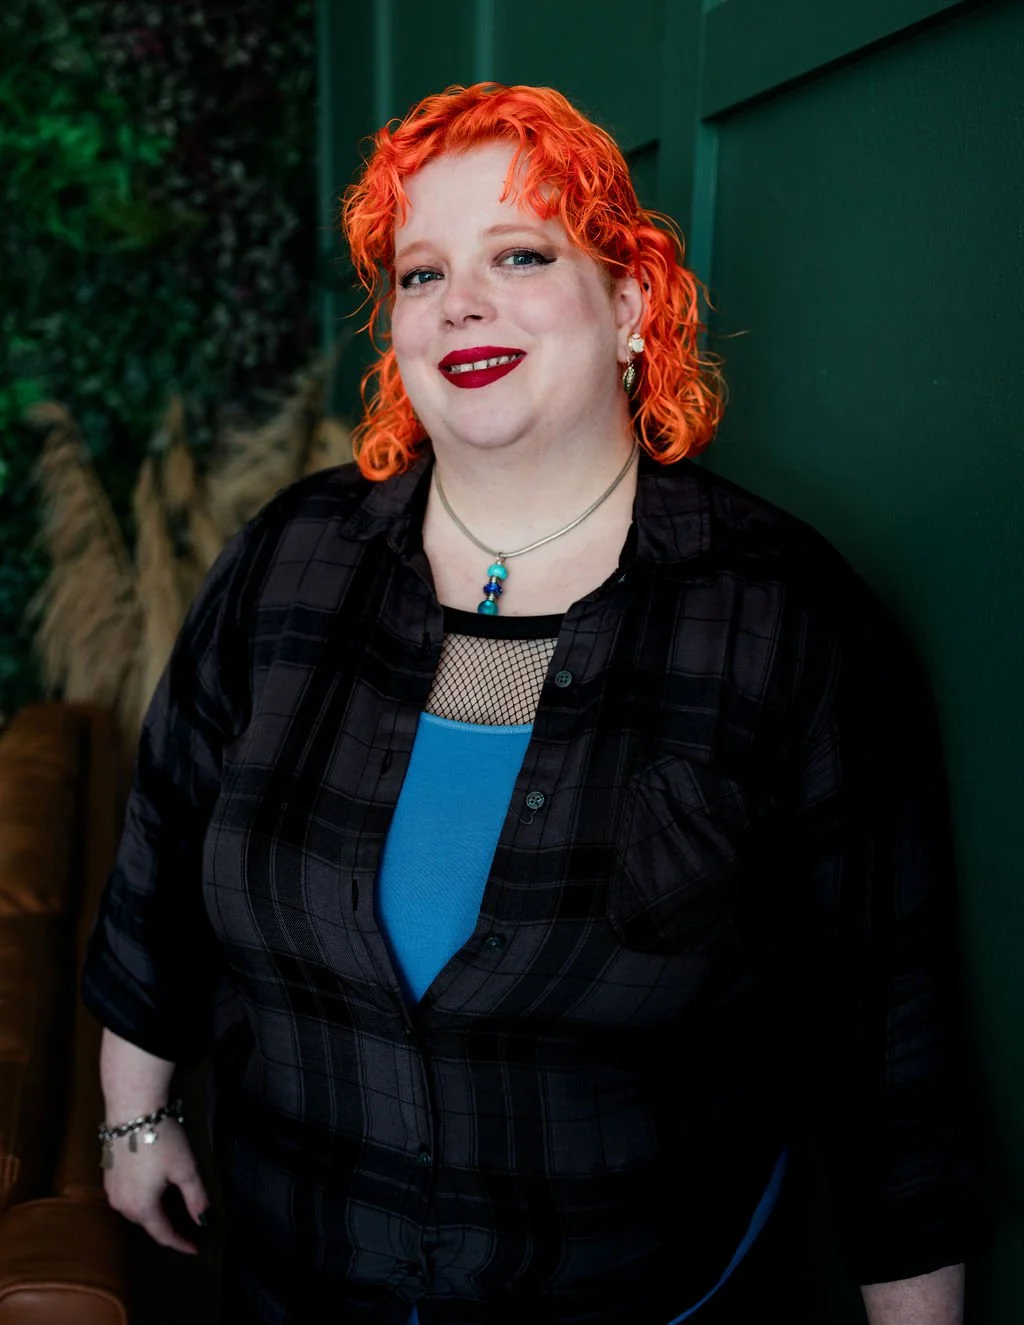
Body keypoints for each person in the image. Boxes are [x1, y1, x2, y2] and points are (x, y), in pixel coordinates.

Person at [83, 82, 983, 1324]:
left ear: (629, 302)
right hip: (294, 1277)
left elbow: (897, 1038)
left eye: (519, 253)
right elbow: (161, 847)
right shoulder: (291, 559)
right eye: (419, 272)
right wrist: (136, 1113)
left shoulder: (783, 617)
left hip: (635, 1295)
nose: (461, 300)